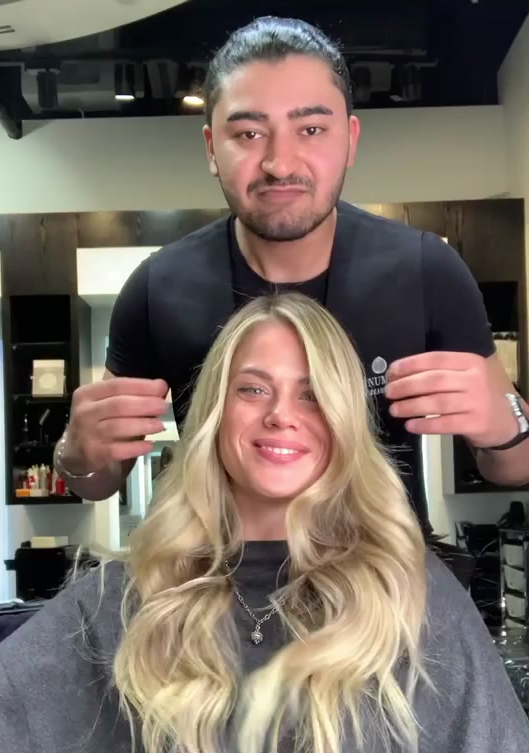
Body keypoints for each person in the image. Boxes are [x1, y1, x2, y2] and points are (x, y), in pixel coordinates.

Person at [0, 293, 529, 753]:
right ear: (214, 414)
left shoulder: (414, 598)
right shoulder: (119, 604)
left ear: (344, 421)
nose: (281, 413)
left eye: (312, 394)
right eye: (252, 389)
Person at [54, 16, 529, 533]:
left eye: (311, 130)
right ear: (212, 148)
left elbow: (515, 467)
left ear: (350, 139)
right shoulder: (157, 288)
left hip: (387, 574)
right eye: (249, 133)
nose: (279, 163)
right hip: (216, 577)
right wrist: (75, 451)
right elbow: (97, 480)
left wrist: (504, 426)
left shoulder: (427, 271)